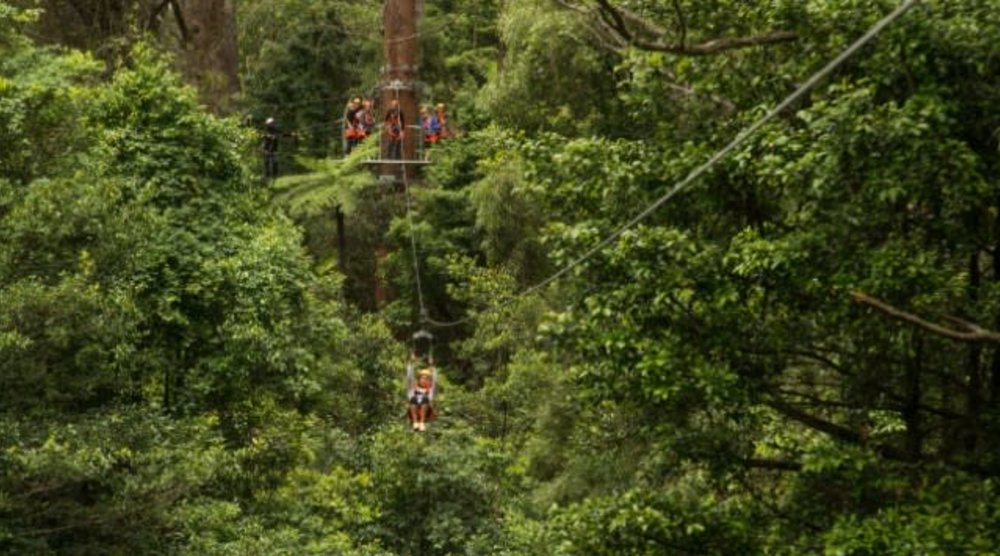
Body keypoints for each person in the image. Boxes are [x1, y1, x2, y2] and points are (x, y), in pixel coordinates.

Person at [406, 352, 437, 432]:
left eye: (426, 379)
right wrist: (411, 363)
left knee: (425, 398)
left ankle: (421, 422)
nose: (424, 380)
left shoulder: (430, 390)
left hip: (426, 410)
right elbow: (409, 377)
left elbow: (434, 380)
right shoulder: (413, 389)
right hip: (414, 409)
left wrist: (432, 366)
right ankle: (415, 422)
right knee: (413, 398)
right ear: (419, 379)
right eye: (422, 378)